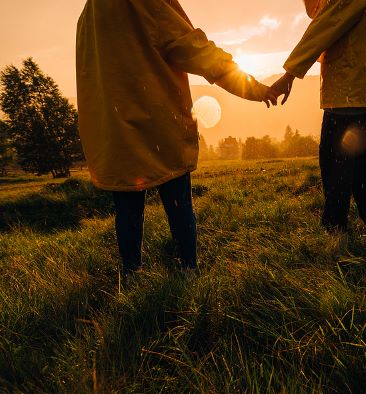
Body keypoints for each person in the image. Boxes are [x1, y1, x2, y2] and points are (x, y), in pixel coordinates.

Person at [76, 0, 276, 279]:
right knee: (178, 202)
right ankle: (188, 270)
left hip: (114, 128)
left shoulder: (90, 11)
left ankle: (132, 275)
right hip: (157, 125)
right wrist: (254, 88)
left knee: (127, 208)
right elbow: (193, 48)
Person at [271, 0, 366, 233]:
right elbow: (319, 11)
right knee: (358, 167)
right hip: (357, 85)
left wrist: (290, 73)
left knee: (335, 165)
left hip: (349, 86)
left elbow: (328, 21)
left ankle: (335, 231)